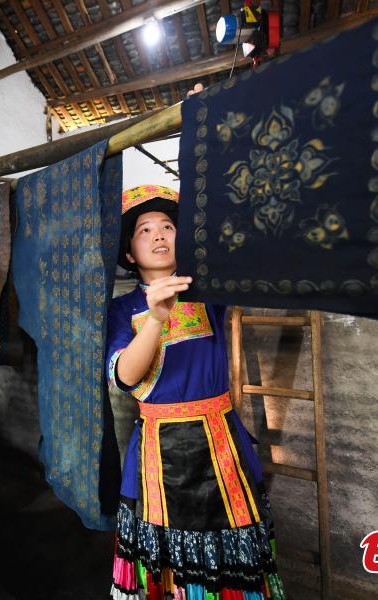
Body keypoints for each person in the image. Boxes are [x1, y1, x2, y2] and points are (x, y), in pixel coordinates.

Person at [107, 186, 286, 600]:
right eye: (145, 230)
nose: (158, 235)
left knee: (233, 554)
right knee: (168, 565)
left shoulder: (206, 292)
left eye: (168, 227)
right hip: (157, 452)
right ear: (130, 254)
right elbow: (125, 376)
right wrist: (155, 318)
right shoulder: (122, 309)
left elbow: (244, 247)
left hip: (221, 444)